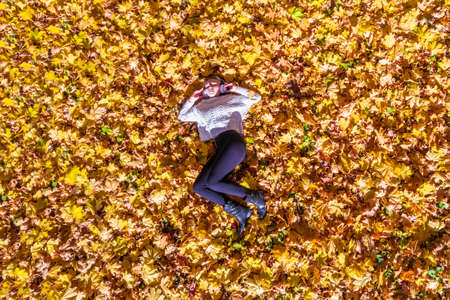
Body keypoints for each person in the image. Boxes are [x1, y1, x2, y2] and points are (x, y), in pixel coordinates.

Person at [178, 74, 267, 235]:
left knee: (212, 182)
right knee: (199, 187)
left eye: (214, 83)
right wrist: (192, 98)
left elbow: (256, 97)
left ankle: (254, 197)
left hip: (233, 143)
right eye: (206, 85)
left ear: (221, 85)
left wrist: (235, 88)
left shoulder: (233, 99)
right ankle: (240, 211)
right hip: (221, 147)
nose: (210, 86)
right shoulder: (201, 107)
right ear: (203, 90)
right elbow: (182, 116)